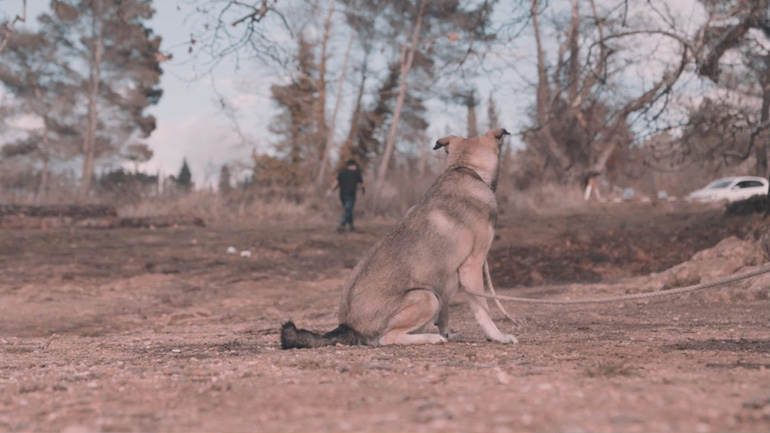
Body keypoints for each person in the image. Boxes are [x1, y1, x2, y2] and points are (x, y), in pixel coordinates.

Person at [330, 159, 365, 232]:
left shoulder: (342, 173)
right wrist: (363, 190)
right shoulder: (356, 173)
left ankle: (352, 227)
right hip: (351, 194)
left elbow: (336, 183)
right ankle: (341, 225)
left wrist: (331, 190)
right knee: (348, 210)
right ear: (353, 165)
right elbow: (362, 184)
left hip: (342, 195)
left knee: (348, 210)